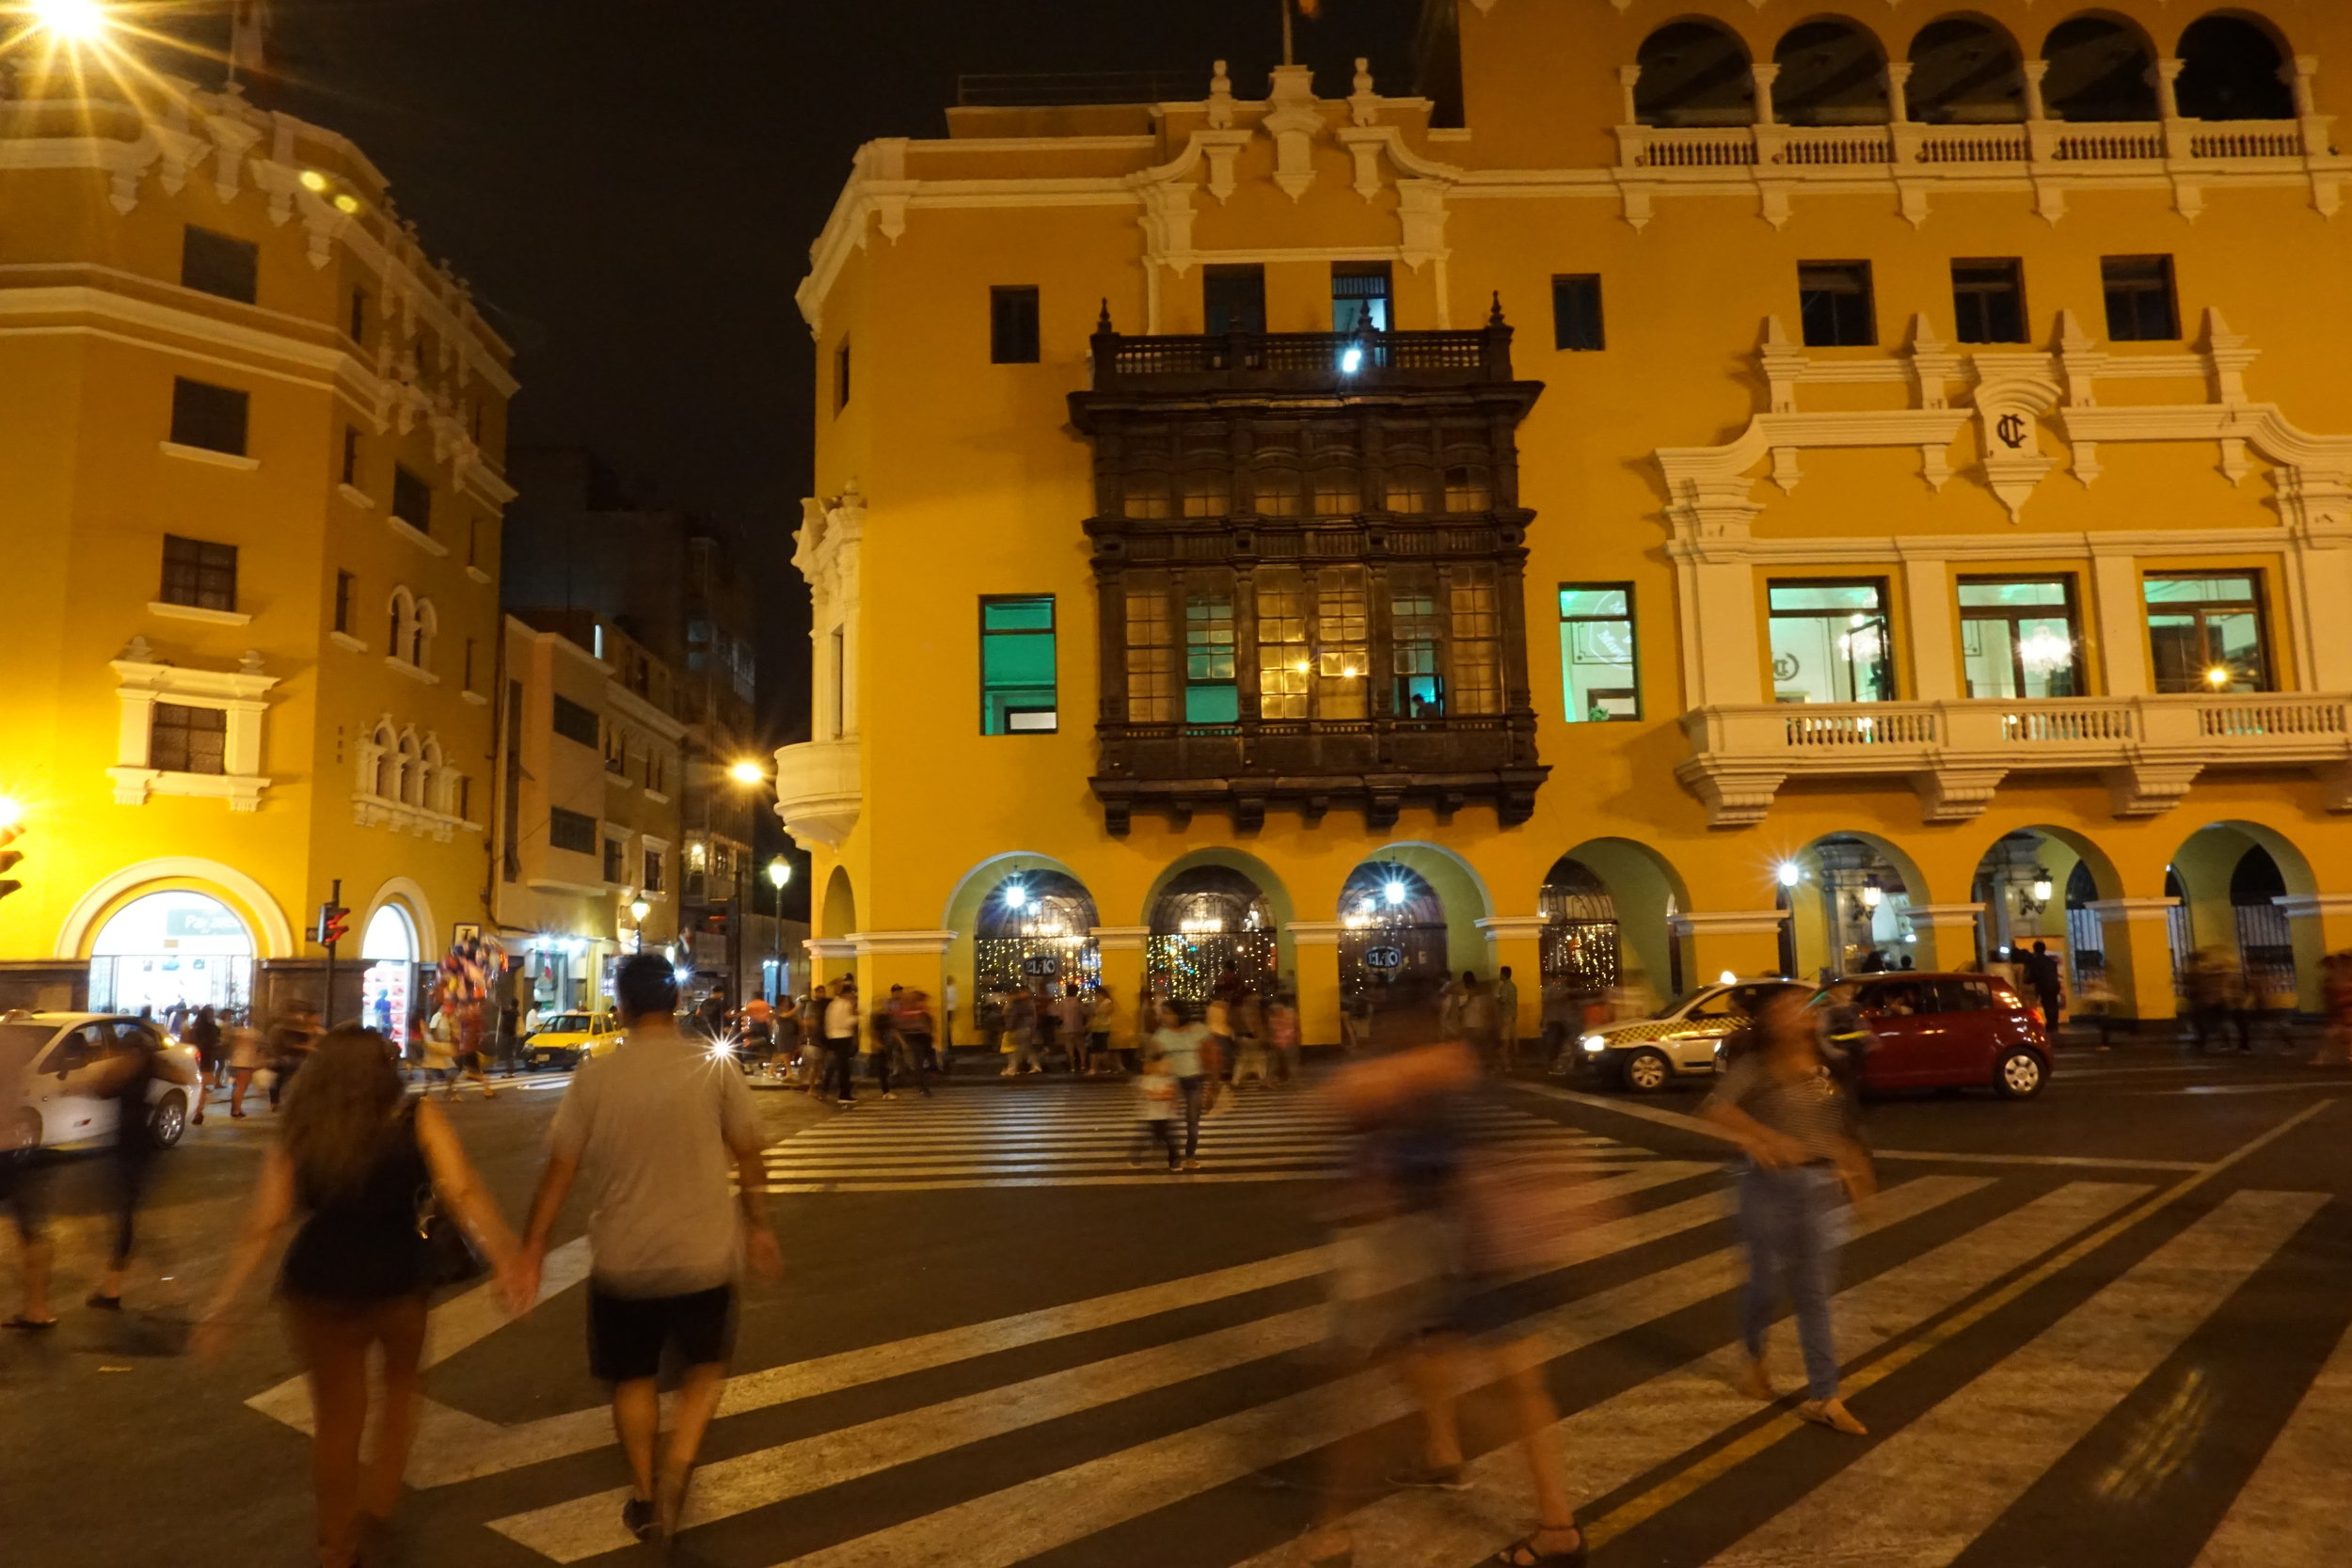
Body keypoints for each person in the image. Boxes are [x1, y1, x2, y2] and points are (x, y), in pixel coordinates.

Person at [196, 1028, 518, 1568]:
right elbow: (460, 1191)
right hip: (397, 1280)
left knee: (337, 1423)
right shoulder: (415, 1117)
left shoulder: (301, 1128)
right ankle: (377, 1509)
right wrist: (506, 1252)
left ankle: (334, 1546)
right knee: (400, 1393)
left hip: (319, 1283)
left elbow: (264, 1223)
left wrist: (224, 1302)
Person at [508, 954, 780, 1543]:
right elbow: (749, 1152)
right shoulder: (712, 1069)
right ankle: (679, 1461)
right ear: (675, 1004)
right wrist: (759, 1226)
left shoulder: (596, 1077)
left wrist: (531, 1250)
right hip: (704, 1251)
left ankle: (644, 1490)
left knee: (631, 1378)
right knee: (704, 1367)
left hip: (624, 1259)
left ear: (622, 1007)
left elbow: (560, 1171)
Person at [1702, 987, 1875, 1437]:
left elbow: (1835, 1122)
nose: (1797, 1014)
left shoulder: (1823, 1063)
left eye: (1802, 1007)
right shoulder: (1755, 1067)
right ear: (1770, 1022)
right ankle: (1755, 1354)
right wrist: (1763, 1138)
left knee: (1814, 1293)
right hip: (1766, 1187)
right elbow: (1716, 1109)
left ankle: (1825, 1395)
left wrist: (1853, 1165)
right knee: (1765, 1283)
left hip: (1819, 1188)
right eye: (1785, 1009)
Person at [84, 1018, 204, 1311]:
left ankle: (136, 1289)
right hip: (133, 1146)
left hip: (131, 1148)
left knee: (127, 1219)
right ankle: (121, 1286)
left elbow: (100, 1088)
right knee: (127, 1218)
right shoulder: (145, 1066)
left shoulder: (133, 1067)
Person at [1, 1019, 56, 1330]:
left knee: (32, 1231)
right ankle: (38, 1308)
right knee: (33, 1231)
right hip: (14, 1147)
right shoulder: (15, 1041)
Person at [1149, 1000, 1211, 1171]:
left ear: (1179, 1014)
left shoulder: (1198, 1030)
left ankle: (1190, 1155)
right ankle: (1174, 1156)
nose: (1165, 1017)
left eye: (1168, 1013)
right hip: (1171, 1081)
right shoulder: (1162, 1034)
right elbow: (1152, 1057)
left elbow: (1210, 1054)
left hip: (1193, 1079)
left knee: (1192, 1120)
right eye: (1164, 1013)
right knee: (1166, 1119)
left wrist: (1214, 1083)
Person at [1126, 1049, 1181, 1171]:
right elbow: (1151, 1095)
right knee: (1148, 1137)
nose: (1167, 1067)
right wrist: (1163, 1095)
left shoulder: (1169, 1079)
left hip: (1166, 1115)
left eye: (1168, 1065)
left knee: (1168, 1138)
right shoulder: (1149, 1079)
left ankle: (1174, 1161)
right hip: (1150, 1115)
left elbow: (1172, 1093)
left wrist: (1168, 1098)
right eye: (1163, 1064)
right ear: (1155, 1066)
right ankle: (1135, 1157)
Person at [268, 1005, 321, 1111]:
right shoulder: (286, 1028)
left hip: (304, 1058)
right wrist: (307, 1047)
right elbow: (288, 1043)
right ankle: (277, 1101)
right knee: (285, 1079)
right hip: (291, 1058)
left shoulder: (316, 1029)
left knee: (289, 1080)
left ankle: (285, 1101)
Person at [821, 978, 859, 1107]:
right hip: (843, 1037)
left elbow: (828, 1023)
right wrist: (857, 1016)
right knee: (844, 1068)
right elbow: (846, 1022)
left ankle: (826, 1089)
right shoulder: (845, 1005)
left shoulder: (832, 1005)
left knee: (835, 1065)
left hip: (833, 1037)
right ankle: (844, 1095)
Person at [2027, 942, 2064, 1036]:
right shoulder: (2051, 961)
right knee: (2054, 1005)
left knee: (2047, 1006)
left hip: (2044, 986)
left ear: (2034, 949)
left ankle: (2050, 1026)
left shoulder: (2036, 961)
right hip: (2054, 986)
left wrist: (2027, 980)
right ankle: (2054, 1025)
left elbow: (2034, 975)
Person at [1494, 965, 1521, 1071]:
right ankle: (1516, 1058)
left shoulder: (1504, 986)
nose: (1499, 976)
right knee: (1514, 1038)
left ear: (1504, 975)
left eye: (1501, 973)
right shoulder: (1513, 986)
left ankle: (1506, 1064)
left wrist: (1497, 998)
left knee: (1504, 1040)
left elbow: (1503, 999)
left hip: (1505, 1015)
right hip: (1513, 1014)